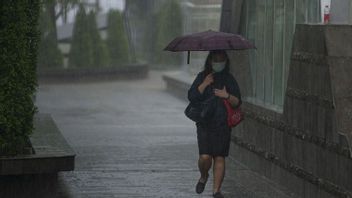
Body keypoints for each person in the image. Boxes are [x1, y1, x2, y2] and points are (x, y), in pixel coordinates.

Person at [187, 50, 241, 198]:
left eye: (222, 59)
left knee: (219, 156)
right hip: (204, 124)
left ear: (226, 61)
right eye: (216, 59)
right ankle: (204, 176)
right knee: (205, 157)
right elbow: (191, 97)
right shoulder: (202, 77)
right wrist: (204, 84)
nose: (219, 62)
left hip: (222, 125)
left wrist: (227, 96)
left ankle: (216, 191)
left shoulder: (229, 79)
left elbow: (237, 102)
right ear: (210, 61)